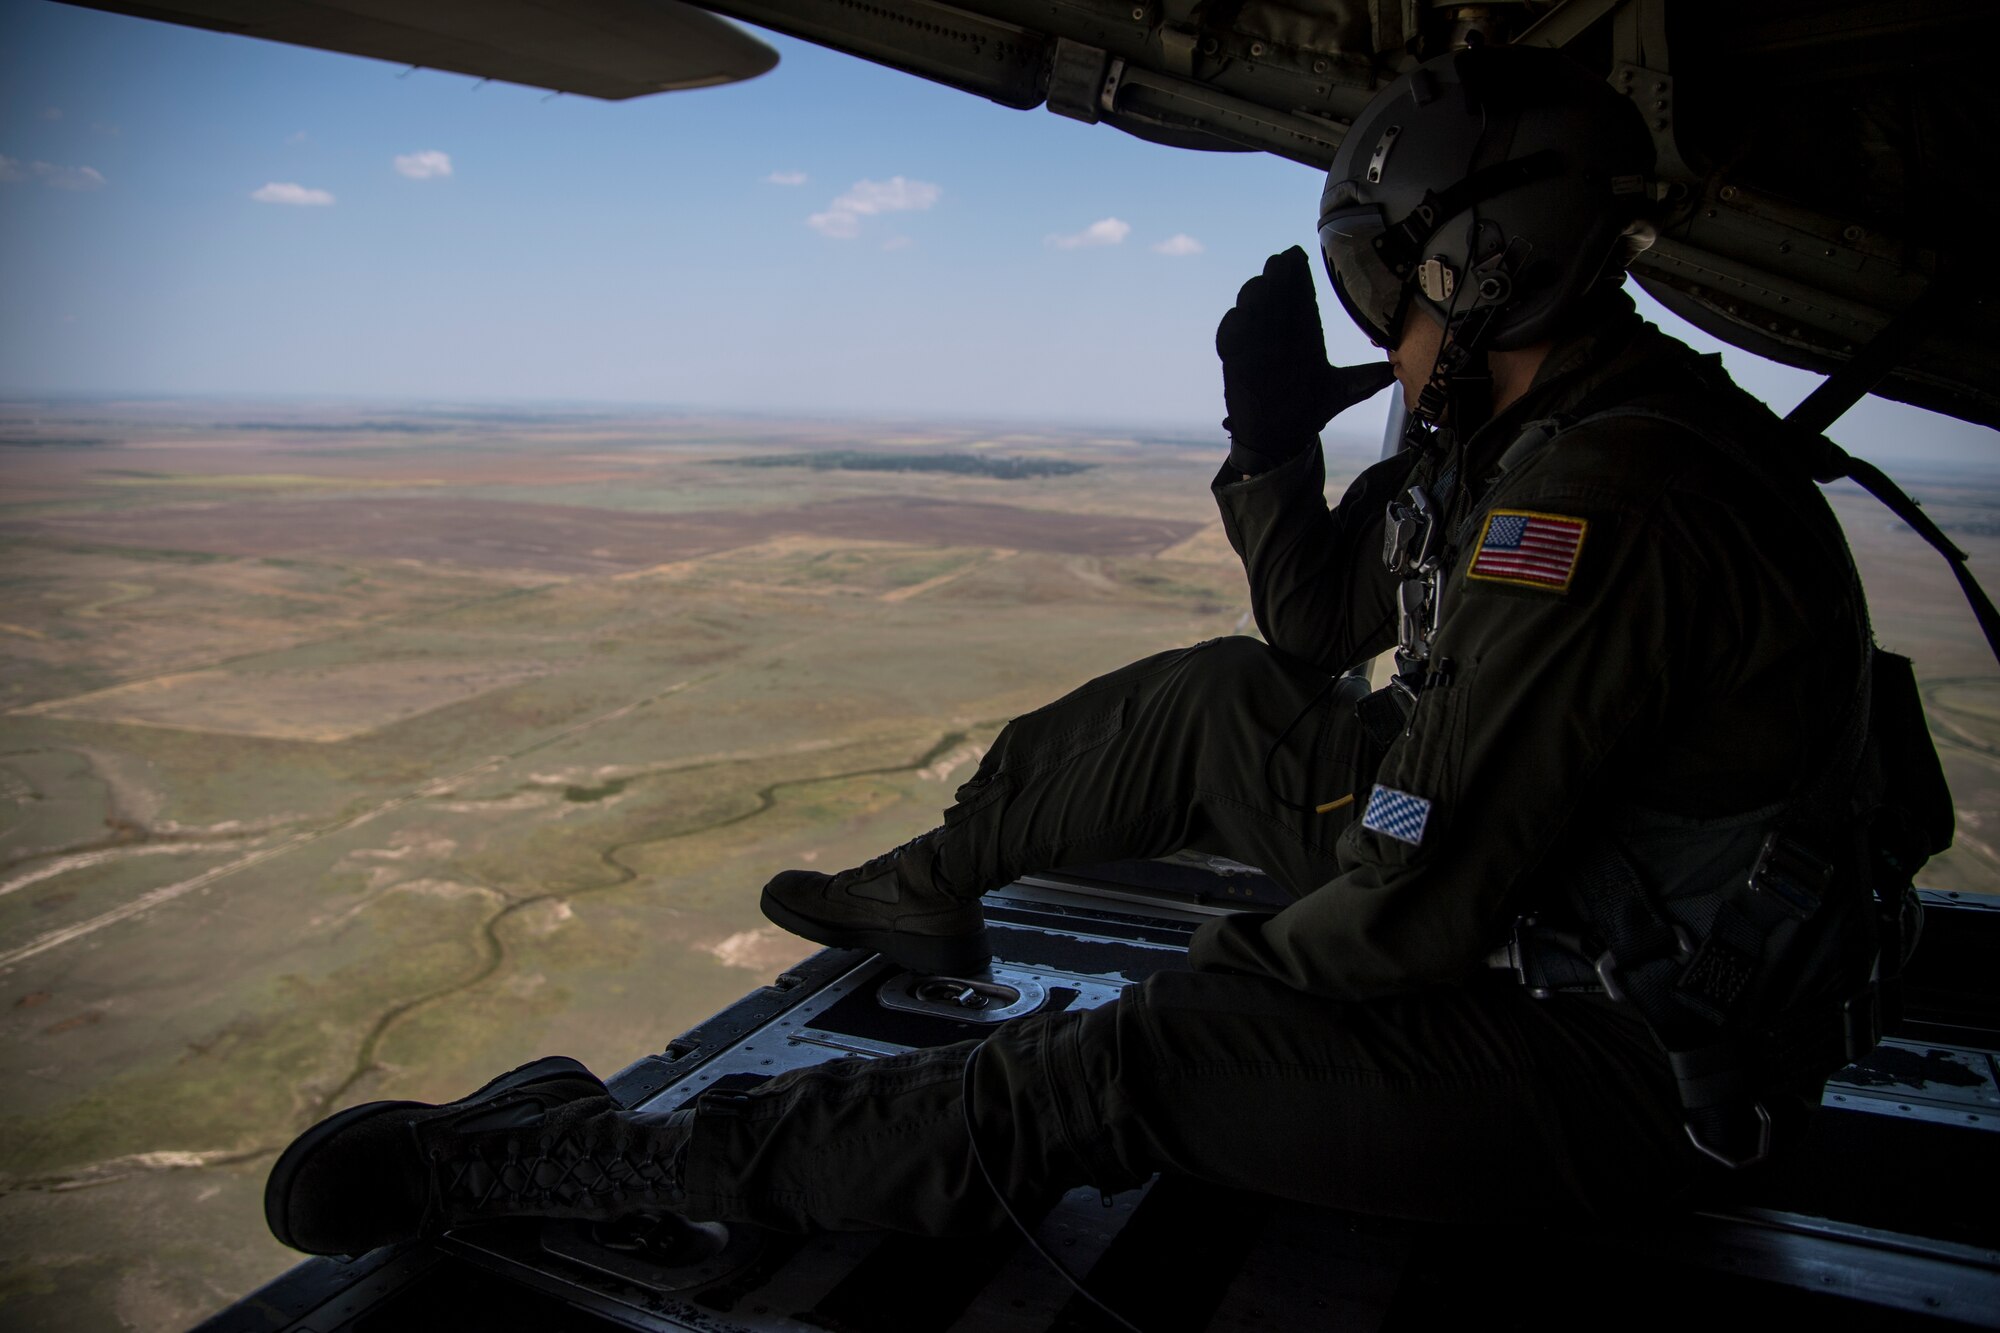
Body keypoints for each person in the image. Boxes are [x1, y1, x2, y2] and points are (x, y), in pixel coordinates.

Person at [262, 45, 1893, 1258]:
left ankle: (572, 1169)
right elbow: (1318, 632)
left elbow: (1417, 902)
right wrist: (1272, 444)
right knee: (1217, 705)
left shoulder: (1603, 490)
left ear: (1482, 266)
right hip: (1579, 903)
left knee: (1116, 1068)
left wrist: (1224, 1001)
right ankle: (937, 869)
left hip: (1628, 1064)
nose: (1378, 319)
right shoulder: (1551, 423)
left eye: (1387, 281)